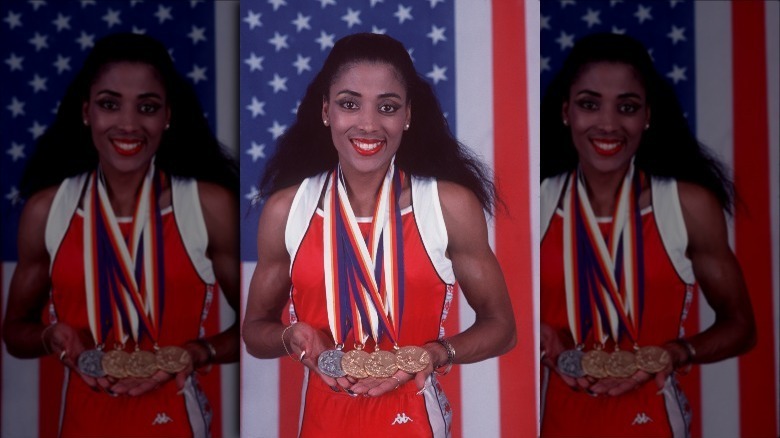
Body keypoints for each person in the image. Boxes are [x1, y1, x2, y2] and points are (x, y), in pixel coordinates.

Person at [242, 33, 516, 437]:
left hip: (415, 424)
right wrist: (290, 335)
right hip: (321, 425)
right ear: (325, 111)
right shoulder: (288, 209)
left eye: (387, 107)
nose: (368, 124)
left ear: (407, 115)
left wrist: (436, 353)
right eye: (349, 104)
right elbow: (253, 331)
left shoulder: (447, 205)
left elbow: (502, 328)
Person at [2, 33, 239, 438]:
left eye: (147, 107)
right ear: (86, 112)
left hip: (177, 423)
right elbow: (15, 331)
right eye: (110, 104)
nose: (128, 124)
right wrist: (50, 336)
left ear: (167, 116)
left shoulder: (206, 206)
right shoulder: (48, 210)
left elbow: (261, 325)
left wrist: (198, 351)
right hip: (81, 425)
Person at [539, 33, 756, 437]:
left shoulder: (686, 205)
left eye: (627, 107)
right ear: (566, 112)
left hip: (653, 423)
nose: (608, 123)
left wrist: (675, 352)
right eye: (589, 104)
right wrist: (538, 329)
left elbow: (741, 325)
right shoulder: (533, 204)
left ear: (648, 116)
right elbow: (490, 315)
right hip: (551, 422)